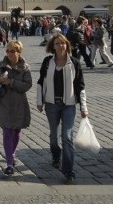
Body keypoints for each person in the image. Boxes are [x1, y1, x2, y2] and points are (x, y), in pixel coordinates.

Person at [36, 33, 88, 184]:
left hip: (69, 105)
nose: (60, 46)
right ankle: (55, 155)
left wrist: (84, 106)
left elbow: (80, 86)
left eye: (63, 43)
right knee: (54, 136)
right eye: (57, 43)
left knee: (67, 137)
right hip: (51, 104)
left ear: (67, 45)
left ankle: (68, 170)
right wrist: (40, 101)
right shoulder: (47, 62)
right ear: (53, 46)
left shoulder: (75, 63)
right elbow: (41, 82)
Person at [0, 39, 32, 176]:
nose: (9, 53)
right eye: (7, 51)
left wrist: (11, 82)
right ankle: (9, 163)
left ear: (19, 52)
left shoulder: (25, 67)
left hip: (20, 103)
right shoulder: (1, 65)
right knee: (7, 131)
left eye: (12, 51)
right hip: (5, 102)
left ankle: (13, 152)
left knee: (16, 131)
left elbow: (27, 85)